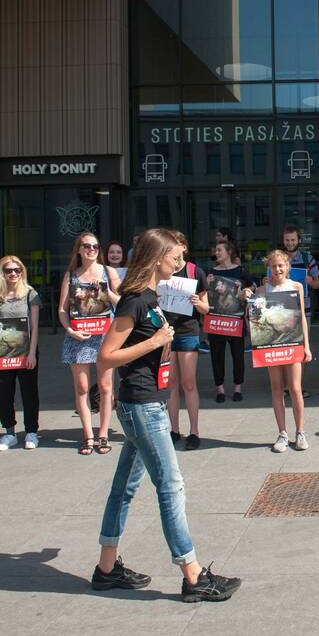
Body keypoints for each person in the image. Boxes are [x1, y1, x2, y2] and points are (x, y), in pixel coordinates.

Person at [92, 228, 241, 602]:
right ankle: (193, 576)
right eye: (175, 256)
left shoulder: (151, 297)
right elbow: (106, 357)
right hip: (142, 406)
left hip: (146, 402)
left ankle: (106, 569)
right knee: (171, 487)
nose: (179, 262)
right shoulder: (136, 300)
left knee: (123, 489)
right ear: (157, 258)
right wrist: (155, 341)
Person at [244, 250, 312, 452]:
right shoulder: (262, 290)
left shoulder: (296, 287)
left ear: (288, 266)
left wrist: (306, 346)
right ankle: (282, 433)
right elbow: (253, 321)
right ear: (269, 268)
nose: (278, 269)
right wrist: (248, 301)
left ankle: (300, 432)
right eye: (274, 266)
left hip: (292, 343)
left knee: (295, 388)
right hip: (271, 345)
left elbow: (301, 319)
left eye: (281, 265)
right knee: (276, 388)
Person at [59, 232, 121, 455]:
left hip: (105, 335)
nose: (91, 249)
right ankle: (88, 435)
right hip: (79, 336)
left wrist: (104, 289)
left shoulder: (109, 272)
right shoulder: (70, 276)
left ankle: (103, 434)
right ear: (79, 249)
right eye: (86, 246)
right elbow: (63, 309)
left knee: (106, 388)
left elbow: (123, 302)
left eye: (95, 246)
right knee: (82, 388)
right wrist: (69, 330)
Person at [0, 256, 41, 451]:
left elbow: (34, 327)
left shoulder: (30, 294)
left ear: (22, 272)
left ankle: (31, 431)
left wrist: (32, 353)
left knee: (29, 392)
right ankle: (9, 432)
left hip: (26, 350)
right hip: (2, 352)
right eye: (9, 270)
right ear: (2, 273)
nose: (13, 273)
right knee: (4, 392)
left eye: (17, 270)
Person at [165, 232, 209, 450]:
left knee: (189, 383)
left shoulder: (195, 271)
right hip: (165, 331)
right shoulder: (162, 271)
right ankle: (174, 430)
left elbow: (206, 308)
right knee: (171, 384)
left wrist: (196, 302)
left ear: (183, 247)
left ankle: (194, 431)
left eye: (175, 245)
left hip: (188, 330)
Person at [207, 240, 252, 403]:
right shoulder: (211, 272)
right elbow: (204, 292)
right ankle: (219, 389)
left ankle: (237, 388)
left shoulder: (240, 271)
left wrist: (246, 290)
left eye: (219, 250)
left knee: (238, 355)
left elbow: (253, 285)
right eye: (216, 250)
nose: (216, 253)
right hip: (216, 320)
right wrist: (207, 282)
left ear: (229, 252)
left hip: (235, 320)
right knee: (216, 356)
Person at [282, 225, 319, 316]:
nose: (290, 243)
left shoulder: (308, 259)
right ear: (283, 241)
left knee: (304, 331)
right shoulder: (277, 260)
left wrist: (311, 282)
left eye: (293, 240)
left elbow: (317, 285)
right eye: (287, 240)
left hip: (304, 309)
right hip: (282, 309)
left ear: (299, 240)